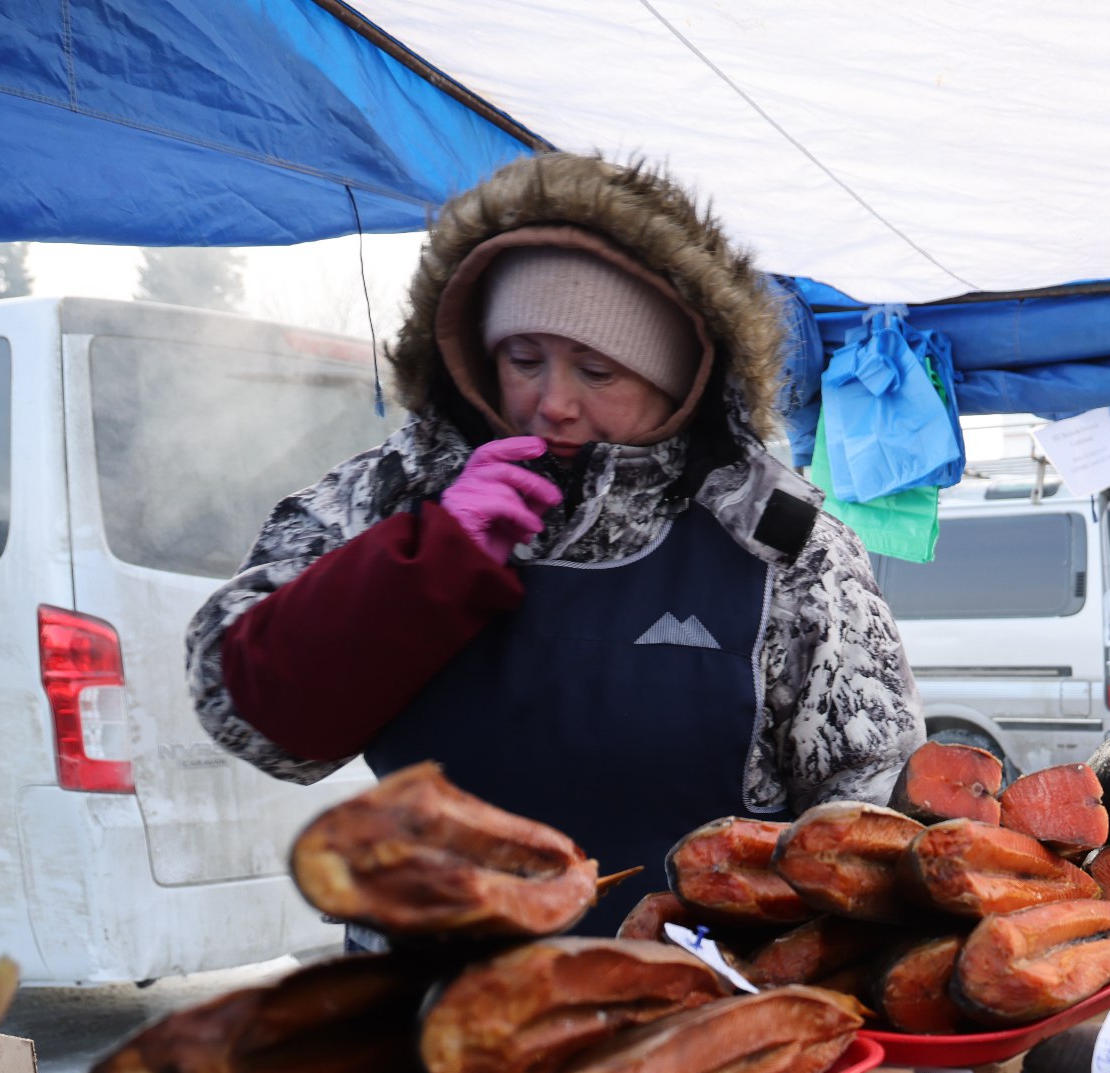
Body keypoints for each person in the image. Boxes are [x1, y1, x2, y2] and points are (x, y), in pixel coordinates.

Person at [187, 154, 922, 933]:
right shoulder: (392, 495)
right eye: (524, 359)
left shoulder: (780, 542)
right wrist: (428, 561)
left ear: (681, 380)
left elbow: (869, 824)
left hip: (699, 1021)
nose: (554, 403)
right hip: (425, 1025)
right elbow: (255, 722)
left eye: (599, 370)